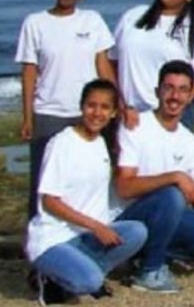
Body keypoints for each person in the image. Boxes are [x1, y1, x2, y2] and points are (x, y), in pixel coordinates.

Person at [113, 61, 194, 293]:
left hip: (168, 218)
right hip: (132, 218)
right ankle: (149, 271)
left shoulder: (189, 140)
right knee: (172, 196)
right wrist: (174, 177)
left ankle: (149, 253)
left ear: (190, 95)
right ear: (157, 91)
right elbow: (124, 187)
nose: (175, 96)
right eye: (169, 88)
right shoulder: (136, 126)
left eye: (183, 90)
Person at [15, 0, 116, 220]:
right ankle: (38, 238)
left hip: (88, 114)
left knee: (88, 179)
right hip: (48, 114)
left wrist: (117, 107)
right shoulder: (35, 23)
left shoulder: (92, 21)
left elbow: (103, 67)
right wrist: (28, 118)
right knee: (43, 183)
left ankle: (88, 231)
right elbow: (29, 72)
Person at [26, 80, 145, 304]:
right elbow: (50, 201)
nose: (97, 113)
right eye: (91, 105)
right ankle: (49, 277)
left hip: (85, 237)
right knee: (90, 281)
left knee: (137, 232)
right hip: (55, 238)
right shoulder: (62, 143)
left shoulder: (101, 143)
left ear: (113, 113)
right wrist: (96, 226)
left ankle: (80, 270)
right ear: (81, 107)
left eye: (104, 107)